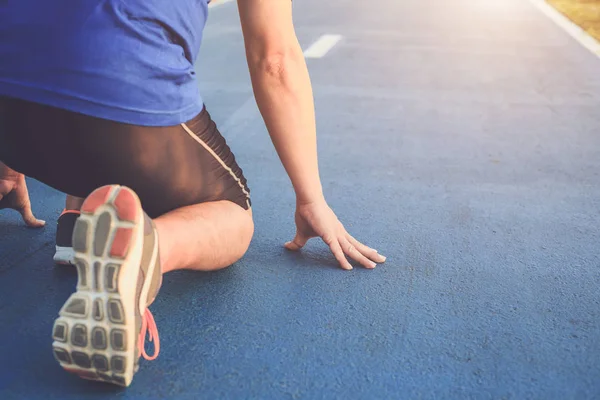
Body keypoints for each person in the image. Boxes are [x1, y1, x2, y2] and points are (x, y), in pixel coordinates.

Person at [0, 0, 386, 387]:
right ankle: (143, 252)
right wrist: (310, 198)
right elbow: (275, 59)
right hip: (118, 82)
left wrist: (9, 161)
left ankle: (77, 223)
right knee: (232, 210)